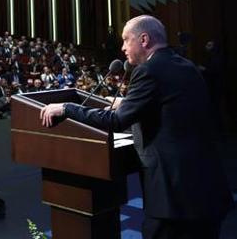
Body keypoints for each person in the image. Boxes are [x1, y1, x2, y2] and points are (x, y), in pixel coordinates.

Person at [40, 15, 233, 238]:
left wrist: (67, 108)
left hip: (172, 199)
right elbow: (169, 107)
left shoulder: (148, 71)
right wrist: (128, 102)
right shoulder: (186, 65)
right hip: (207, 190)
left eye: (125, 40)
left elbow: (116, 121)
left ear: (144, 39)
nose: (122, 47)